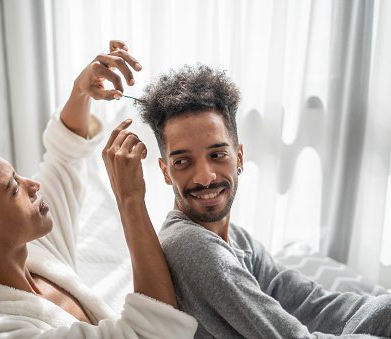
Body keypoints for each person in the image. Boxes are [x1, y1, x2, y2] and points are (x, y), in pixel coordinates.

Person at [0, 41, 197, 338]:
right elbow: (158, 332)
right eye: (13, 188)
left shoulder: (32, 253)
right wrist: (130, 200)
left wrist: (82, 90)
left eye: (17, 174)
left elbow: (65, 157)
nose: (33, 185)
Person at [132, 64, 391, 338]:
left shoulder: (238, 240)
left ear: (239, 157)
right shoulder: (188, 245)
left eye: (217, 155)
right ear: (165, 171)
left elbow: (314, 305)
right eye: (183, 162)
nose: (204, 177)